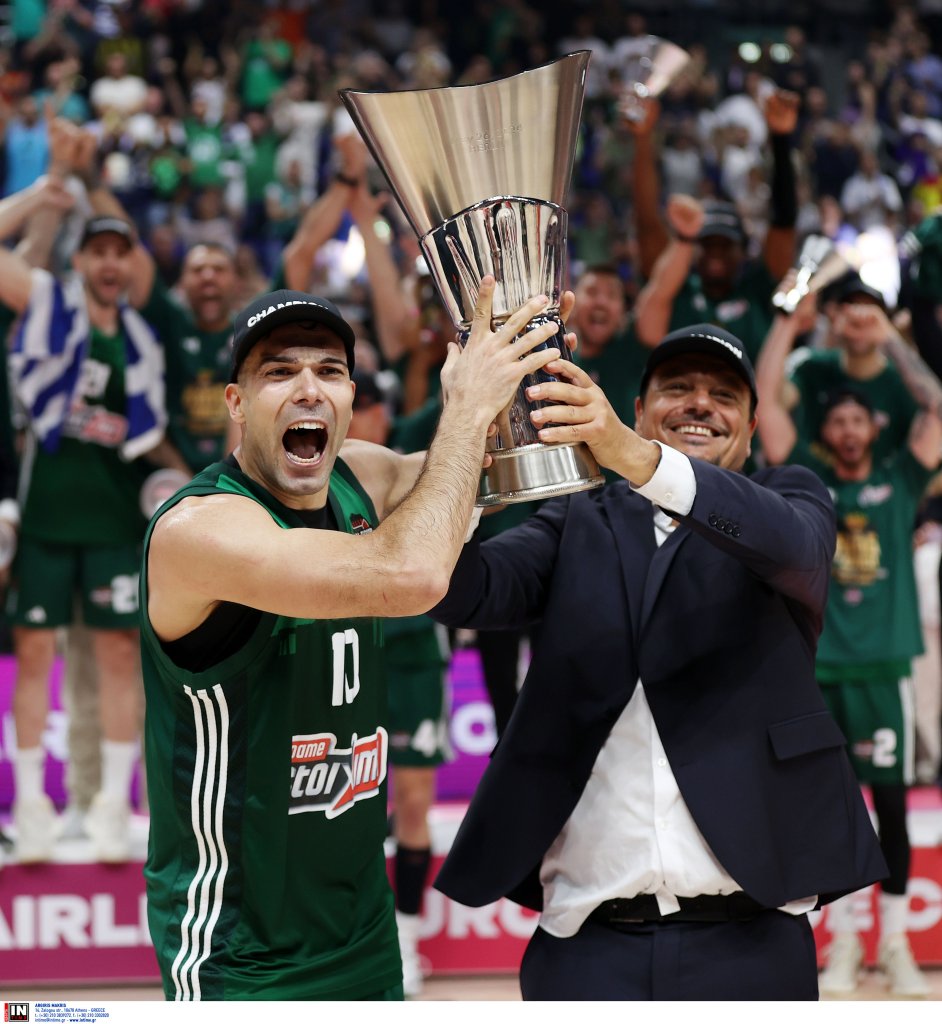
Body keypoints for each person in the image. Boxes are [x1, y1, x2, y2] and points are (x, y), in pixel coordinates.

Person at [427, 324, 886, 1000]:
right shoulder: (577, 518)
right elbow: (465, 591)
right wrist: (467, 437)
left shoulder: (791, 498)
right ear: (639, 409)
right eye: (677, 387)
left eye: (723, 395)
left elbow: (794, 549)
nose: (700, 403)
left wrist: (632, 455)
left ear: (751, 429)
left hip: (755, 939)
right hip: (587, 946)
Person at [139, 280, 565, 1001]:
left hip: (363, 926)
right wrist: (466, 407)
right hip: (242, 945)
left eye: (329, 371)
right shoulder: (199, 530)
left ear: (348, 396)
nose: (309, 388)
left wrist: (527, 364)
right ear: (236, 404)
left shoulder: (359, 476)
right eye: (280, 371)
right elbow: (413, 573)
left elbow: (488, 473)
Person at [756, 296, 942, 998]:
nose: (848, 429)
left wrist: (887, 336)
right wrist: (789, 317)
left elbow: (938, 407)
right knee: (823, 810)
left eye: (859, 419)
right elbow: (765, 400)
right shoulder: (807, 478)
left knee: (890, 808)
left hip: (885, 668)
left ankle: (893, 945)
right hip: (818, 668)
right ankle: (841, 943)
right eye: (837, 420)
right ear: (826, 431)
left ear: (875, 428)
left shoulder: (900, 475)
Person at [0, 211, 175, 863]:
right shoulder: (49, 306)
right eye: (96, 251)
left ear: (130, 264)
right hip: (44, 520)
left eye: (118, 253)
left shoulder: (142, 341)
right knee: (35, 659)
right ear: (78, 262)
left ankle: (111, 805)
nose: (108, 263)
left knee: (120, 662)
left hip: (114, 525)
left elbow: (150, 438)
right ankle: (30, 806)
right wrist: (42, 198)